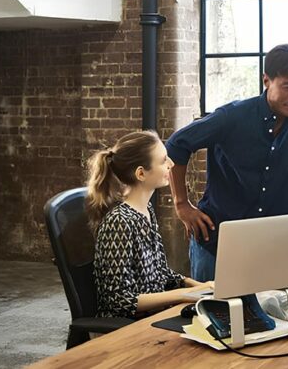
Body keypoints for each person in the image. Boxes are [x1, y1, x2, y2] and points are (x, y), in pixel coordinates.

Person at [166, 44, 288, 282]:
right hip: (217, 241)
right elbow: (176, 145)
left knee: (274, 317)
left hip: (273, 246)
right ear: (266, 80)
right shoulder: (232, 116)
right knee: (212, 315)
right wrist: (182, 205)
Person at [86, 130, 213, 319]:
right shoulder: (120, 222)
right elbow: (120, 300)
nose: (171, 164)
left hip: (151, 316)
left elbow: (160, 273)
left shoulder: (146, 211)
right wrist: (185, 295)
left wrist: (200, 286)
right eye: (163, 161)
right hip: (125, 327)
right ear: (141, 173)